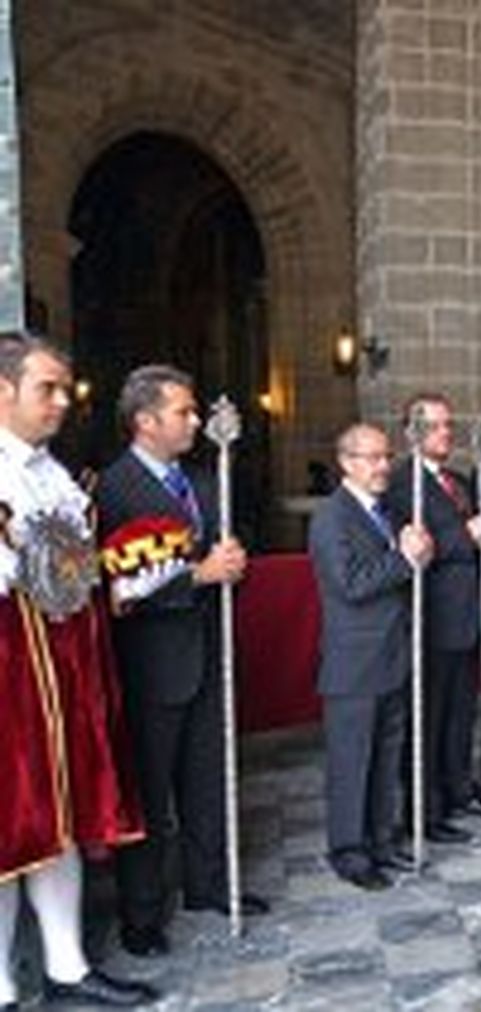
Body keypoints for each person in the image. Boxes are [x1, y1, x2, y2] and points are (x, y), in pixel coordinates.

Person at [0, 332, 156, 1008]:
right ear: (2, 390)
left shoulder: (54, 474)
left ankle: (68, 967)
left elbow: (74, 573)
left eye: (65, 388)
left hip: (61, 673)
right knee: (9, 828)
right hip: (6, 678)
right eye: (48, 388)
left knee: (59, 815)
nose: (63, 401)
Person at [94, 365, 267, 957]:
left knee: (209, 779)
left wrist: (234, 564)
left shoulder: (205, 479)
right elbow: (116, 588)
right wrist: (197, 576)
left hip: (210, 653)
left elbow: (226, 555)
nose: (195, 421)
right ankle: (142, 913)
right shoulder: (112, 490)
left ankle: (208, 883)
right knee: (149, 790)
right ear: (146, 421)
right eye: (183, 412)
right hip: (151, 665)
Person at [308, 424, 434, 891]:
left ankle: (381, 840)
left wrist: (418, 554)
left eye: (386, 457)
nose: (383, 466)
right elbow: (351, 584)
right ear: (347, 462)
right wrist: (406, 559)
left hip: (392, 652)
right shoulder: (331, 517)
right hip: (354, 661)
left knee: (386, 755)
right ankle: (349, 851)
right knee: (352, 761)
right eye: (372, 458)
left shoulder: (387, 511)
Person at [384, 393, 481, 843]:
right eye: (438, 425)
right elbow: (417, 546)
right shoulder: (401, 484)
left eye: (449, 424)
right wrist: (466, 535)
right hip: (431, 617)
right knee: (428, 716)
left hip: (466, 616)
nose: (448, 432)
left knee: (460, 712)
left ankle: (456, 788)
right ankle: (424, 810)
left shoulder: (457, 480)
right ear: (413, 432)